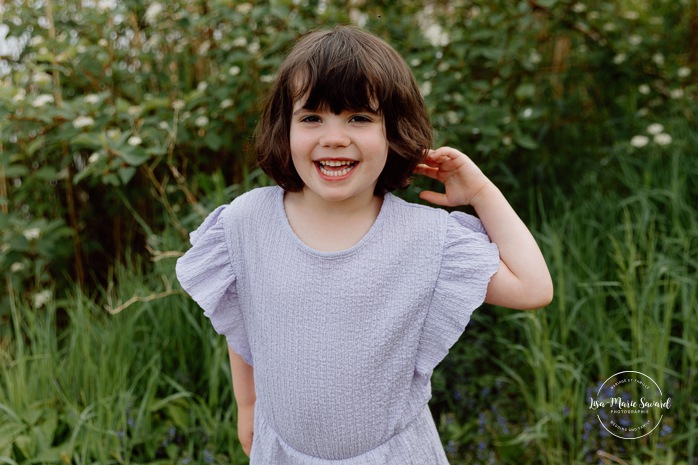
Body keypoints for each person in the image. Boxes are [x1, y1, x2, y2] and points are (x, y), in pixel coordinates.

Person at [176, 25, 552, 464]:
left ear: (394, 131)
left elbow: (533, 288)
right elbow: (244, 320)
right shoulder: (247, 221)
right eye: (312, 117)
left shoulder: (425, 237)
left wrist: (482, 193)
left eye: (359, 117)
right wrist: (248, 407)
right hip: (283, 452)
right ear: (285, 127)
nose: (334, 137)